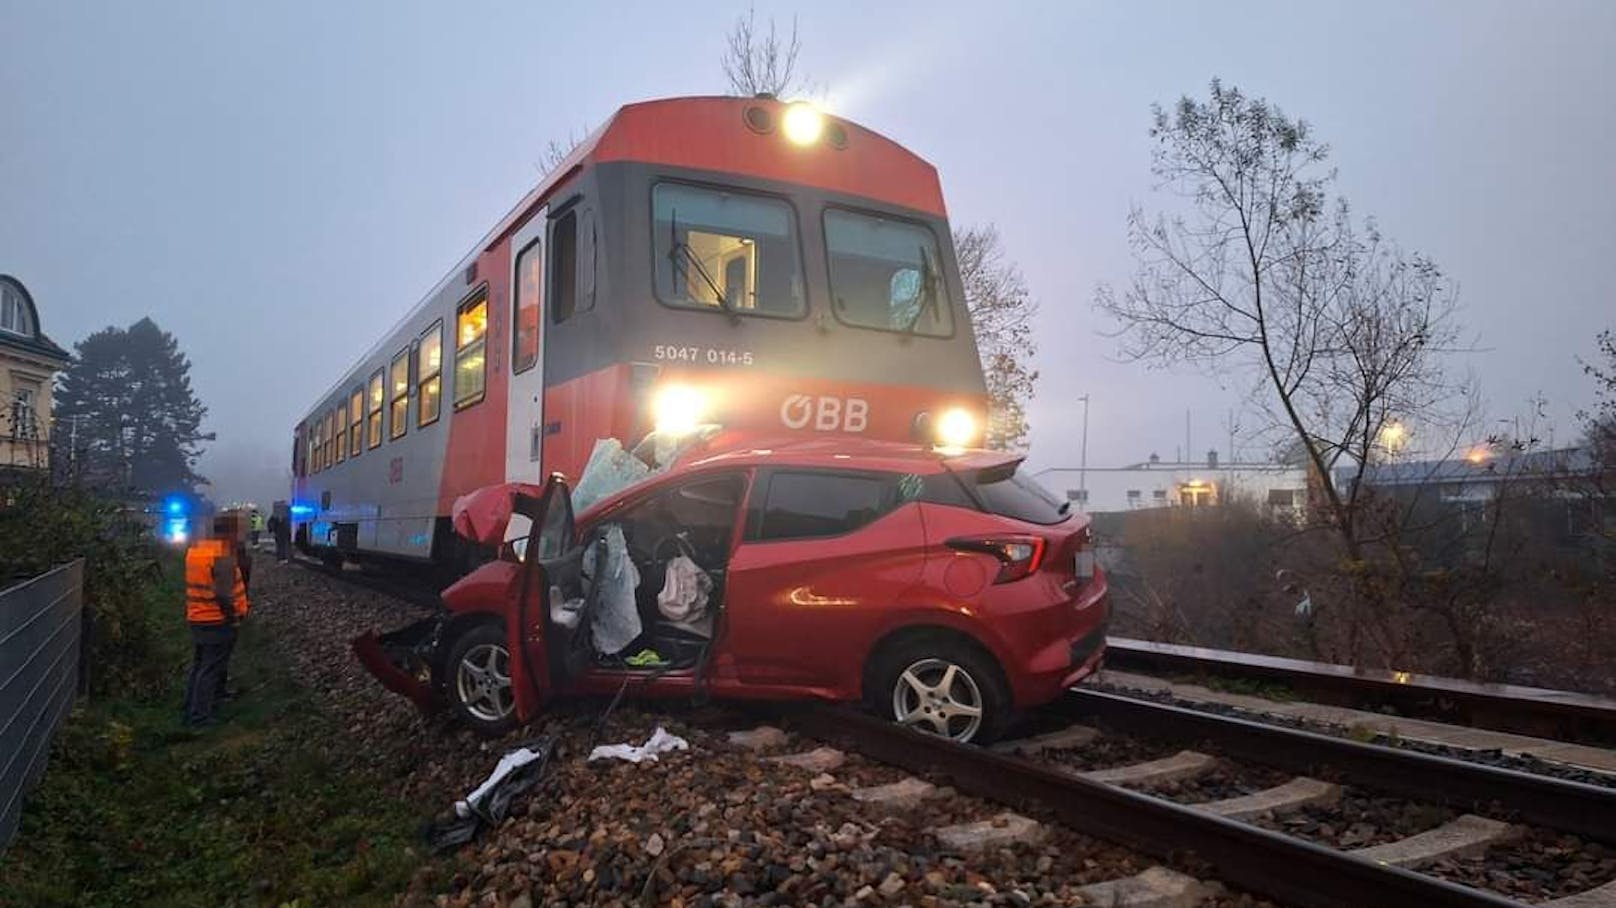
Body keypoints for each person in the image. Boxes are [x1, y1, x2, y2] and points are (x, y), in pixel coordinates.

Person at [182, 515, 252, 727]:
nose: (241, 535)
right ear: (228, 532)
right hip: (217, 619)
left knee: (201, 666)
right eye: (238, 531)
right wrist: (233, 618)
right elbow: (224, 594)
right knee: (210, 668)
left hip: (198, 616)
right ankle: (200, 717)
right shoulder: (221, 555)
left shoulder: (197, 550)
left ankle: (192, 706)